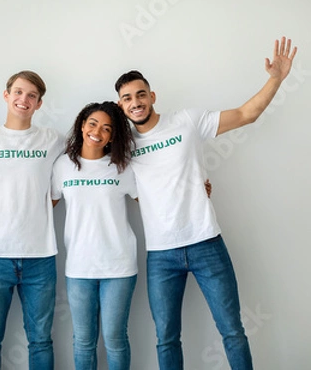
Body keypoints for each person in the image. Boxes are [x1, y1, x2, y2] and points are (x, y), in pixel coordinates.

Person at [113, 36, 297, 370]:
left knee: (232, 331)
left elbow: (246, 114)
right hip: (161, 255)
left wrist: (275, 79)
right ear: (121, 106)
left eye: (141, 94)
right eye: (127, 98)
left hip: (206, 243)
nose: (136, 102)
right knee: (166, 338)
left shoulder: (186, 121)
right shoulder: (124, 149)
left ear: (152, 96)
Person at [0, 70, 65, 369]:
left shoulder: (53, 140)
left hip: (39, 256)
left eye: (32, 96)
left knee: (40, 341)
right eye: (18, 92)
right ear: (6, 95)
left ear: (39, 104)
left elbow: (89, 160)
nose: (23, 99)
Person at [51, 101, 137, 370]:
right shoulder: (62, 166)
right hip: (79, 268)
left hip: (119, 267)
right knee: (84, 341)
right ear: (81, 125)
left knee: (115, 338)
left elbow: (154, 200)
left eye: (107, 128)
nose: (98, 131)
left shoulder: (122, 167)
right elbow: (42, 207)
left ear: (113, 136)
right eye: (93, 124)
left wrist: (196, 191)